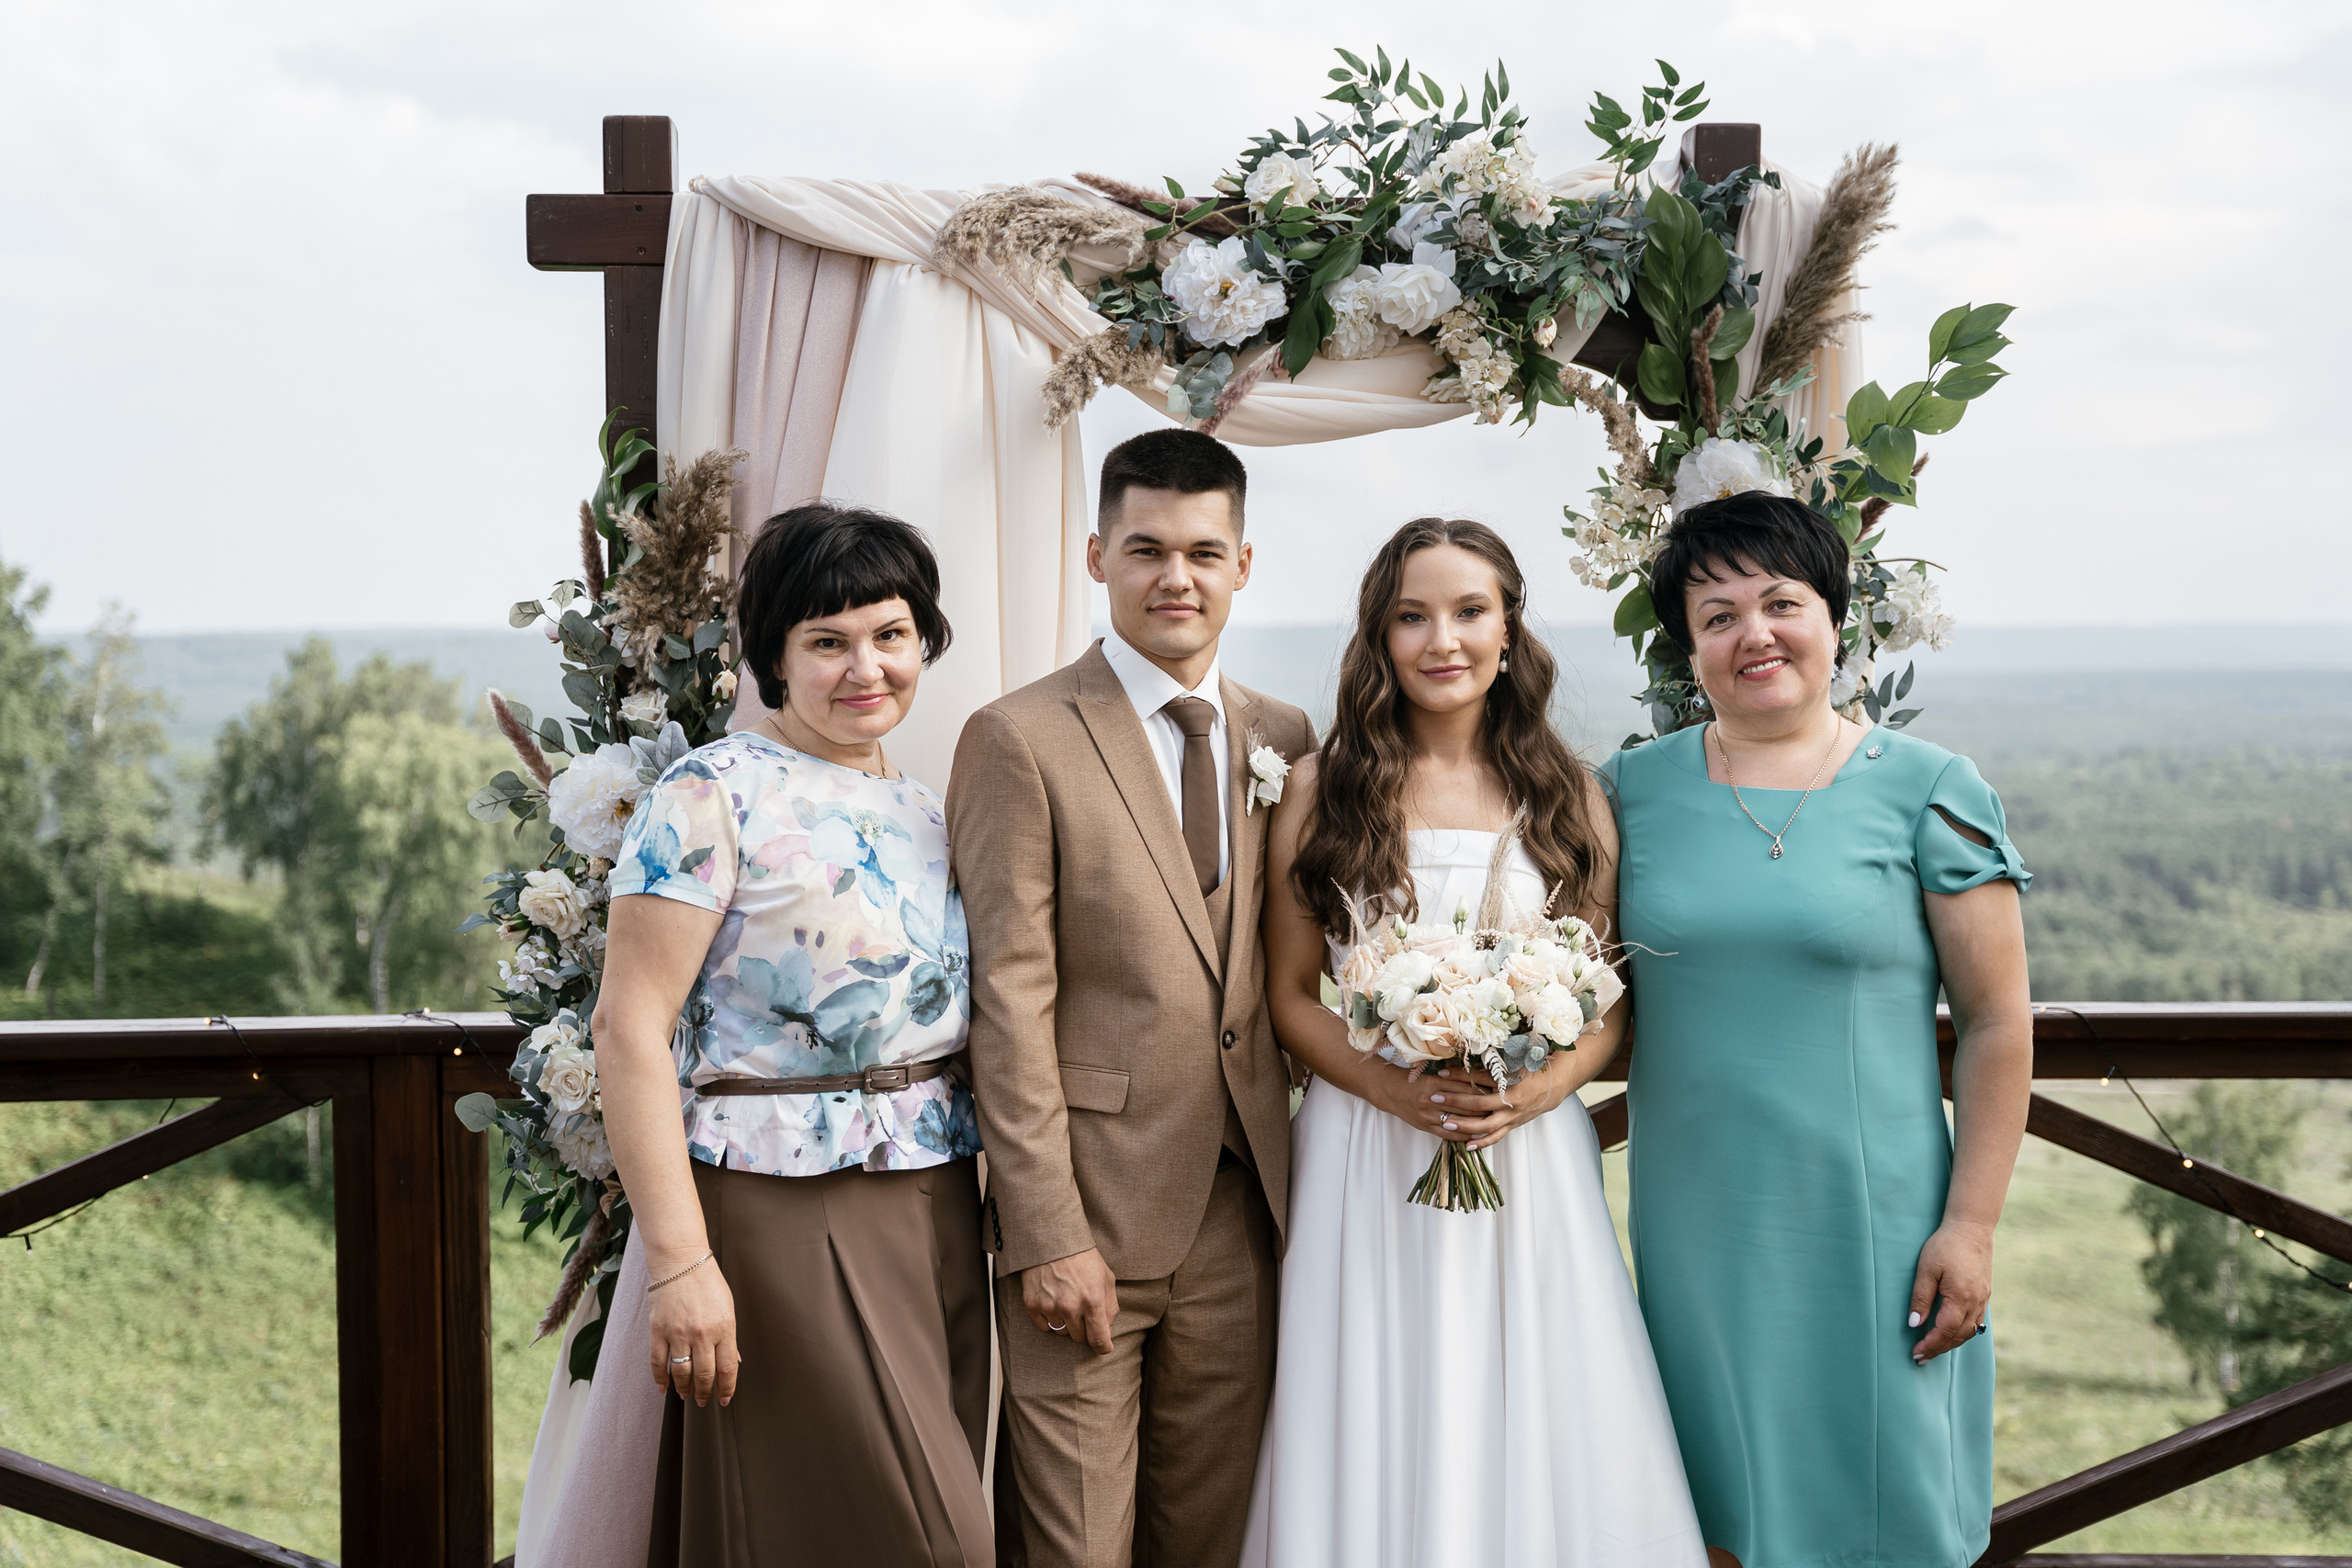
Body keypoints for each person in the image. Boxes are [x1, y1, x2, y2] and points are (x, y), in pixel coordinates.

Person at [1242, 517, 1710, 1568]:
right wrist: (1391, 1089)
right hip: (1367, 1146)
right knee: (1374, 1384)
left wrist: (1538, 1096)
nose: (1440, 639)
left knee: (1537, 1383)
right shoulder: (1323, 786)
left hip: (1524, 1148)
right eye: (1411, 616)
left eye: (1467, 612)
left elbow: (1605, 1008)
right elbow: (1287, 995)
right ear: (1379, 635)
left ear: (1509, 631)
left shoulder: (1567, 791)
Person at [1600, 491, 2034, 1568]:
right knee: (1710, 1520)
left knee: (1890, 1515)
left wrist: (1970, 1228)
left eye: (1780, 602)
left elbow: (1993, 1023)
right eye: (1716, 615)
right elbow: (1580, 1000)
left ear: (1835, 618)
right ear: (1685, 647)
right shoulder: (1624, 793)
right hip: (1697, 1230)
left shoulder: (1932, 789)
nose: (1754, 634)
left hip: (1881, 1230)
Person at [591, 502, 990, 1568]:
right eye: (827, 640)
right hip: (779, 1209)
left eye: (889, 634)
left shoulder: (928, 808)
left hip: (938, 1197)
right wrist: (680, 1262)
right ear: (773, 654)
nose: (866, 666)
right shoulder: (710, 795)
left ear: (924, 640)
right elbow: (629, 1029)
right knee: (933, 1545)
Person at [947, 429, 1317, 1568]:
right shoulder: (1017, 738)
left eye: (1205, 552)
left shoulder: (1287, 740)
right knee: (1075, 1549)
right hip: (1088, 1215)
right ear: (1098, 555)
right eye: (1147, 548)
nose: (1176, 578)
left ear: (1243, 566)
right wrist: (1045, 1232)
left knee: (1211, 1541)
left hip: (1245, 1215)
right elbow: (1004, 1002)